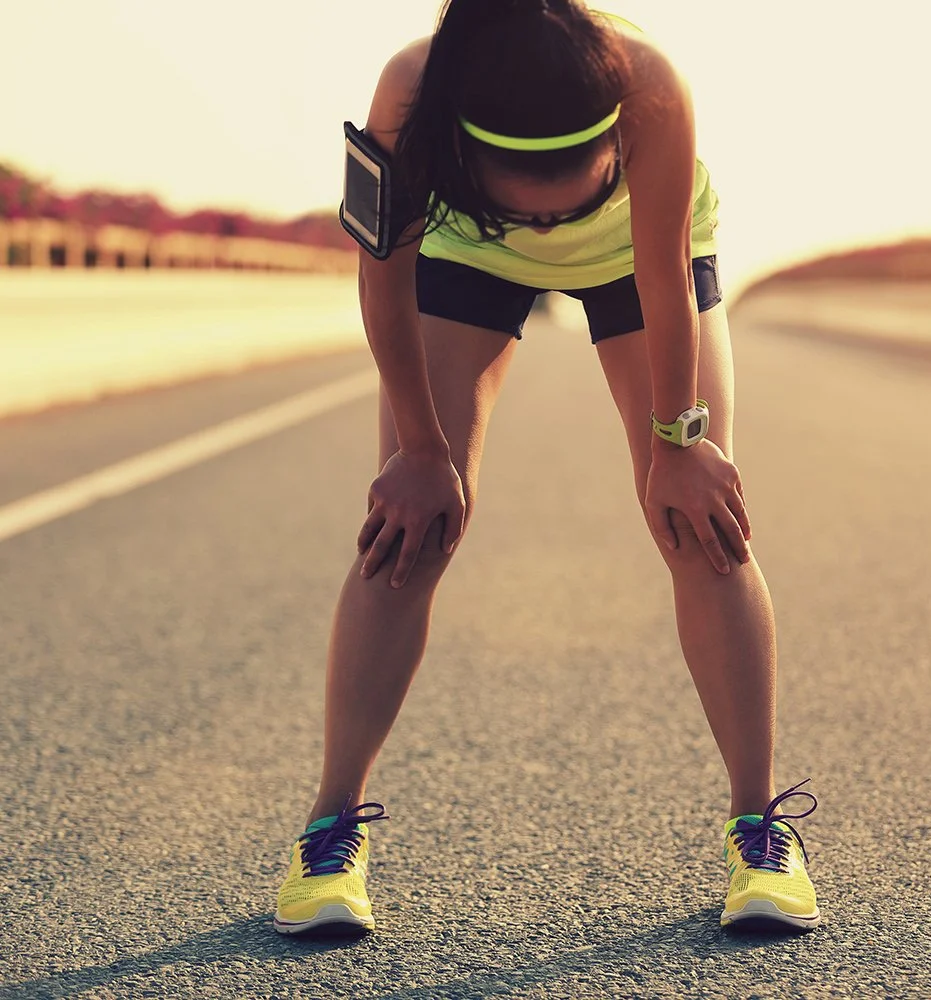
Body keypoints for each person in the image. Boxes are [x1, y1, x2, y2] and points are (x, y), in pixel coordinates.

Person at [272, 0, 822, 935]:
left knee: (700, 524)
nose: (552, 218)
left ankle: (759, 831)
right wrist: (418, 450)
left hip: (632, 258)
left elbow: (660, 274)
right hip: (462, 246)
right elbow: (382, 277)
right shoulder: (410, 90)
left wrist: (678, 446)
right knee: (411, 531)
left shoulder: (651, 85)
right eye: (532, 199)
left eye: (572, 191)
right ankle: (329, 834)